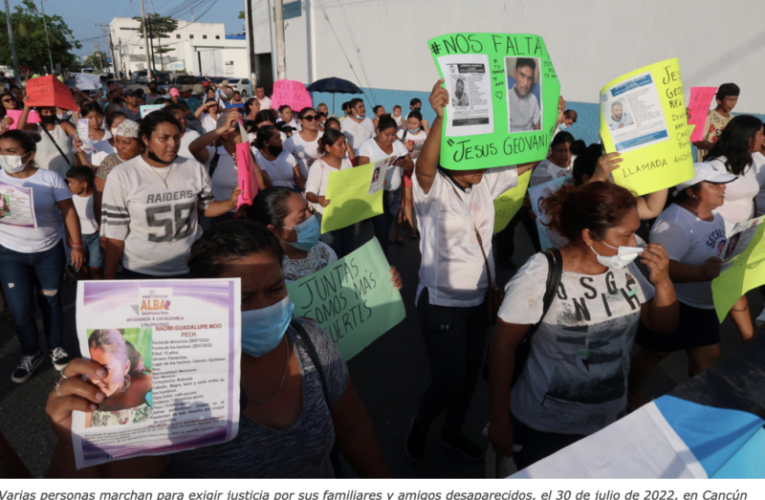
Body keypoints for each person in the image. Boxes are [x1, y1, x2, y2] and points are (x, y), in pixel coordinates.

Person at [46, 219, 389, 478]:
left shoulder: (311, 341)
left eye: (275, 289)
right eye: (243, 299)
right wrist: (75, 440)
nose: (264, 307)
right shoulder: (175, 372)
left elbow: (353, 427)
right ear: (206, 298)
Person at [488, 181, 678, 469]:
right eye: (626, 234)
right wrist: (500, 419)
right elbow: (503, 347)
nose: (635, 243)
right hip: (542, 429)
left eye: (636, 232)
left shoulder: (623, 267)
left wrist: (663, 281)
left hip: (608, 421)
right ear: (589, 235)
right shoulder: (540, 273)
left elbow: (661, 325)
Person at [405, 80, 535, 462]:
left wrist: (551, 123)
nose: (482, 164)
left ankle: (452, 431)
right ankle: (422, 423)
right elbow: (425, 164)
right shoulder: (432, 189)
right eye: (473, 158)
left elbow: (525, 158)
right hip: (442, 301)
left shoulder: (482, 181)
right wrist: (441, 118)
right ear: (452, 157)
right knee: (450, 380)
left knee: (468, 383)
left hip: (480, 300)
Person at [628, 163, 734, 410]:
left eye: (723, 182)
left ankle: (697, 407)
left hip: (705, 306)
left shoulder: (715, 215)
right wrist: (699, 273)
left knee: (707, 357)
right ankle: (630, 394)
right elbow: (661, 268)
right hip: (677, 304)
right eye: (715, 183)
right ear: (692, 192)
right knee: (654, 355)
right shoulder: (673, 223)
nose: (723, 188)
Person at [101, 111, 241, 280]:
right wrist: (109, 280)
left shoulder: (194, 168)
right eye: (164, 138)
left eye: (176, 137)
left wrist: (230, 202)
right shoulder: (121, 175)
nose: (172, 144)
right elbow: (115, 234)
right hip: (142, 270)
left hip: (191, 266)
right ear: (145, 139)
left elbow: (205, 207)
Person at [0, 129, 84, 383]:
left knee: (51, 303)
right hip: (10, 254)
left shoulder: (50, 179)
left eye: (11, 152)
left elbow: (69, 212)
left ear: (29, 155)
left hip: (48, 252)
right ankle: (30, 352)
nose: (5, 157)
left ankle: (55, 346)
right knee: (21, 308)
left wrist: (77, 245)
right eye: (2, 151)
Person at [238, 187, 404, 290]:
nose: (311, 218)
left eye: (308, 210)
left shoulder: (324, 251)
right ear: (276, 231)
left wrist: (383, 281)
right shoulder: (265, 274)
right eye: (302, 216)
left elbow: (349, 290)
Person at [188, 111, 270, 224]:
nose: (243, 132)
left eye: (244, 128)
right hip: (220, 216)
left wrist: (252, 164)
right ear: (224, 134)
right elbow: (193, 147)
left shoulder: (253, 153)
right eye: (237, 129)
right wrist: (223, 127)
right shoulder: (214, 154)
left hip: (249, 214)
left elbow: (264, 187)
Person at [357, 115, 414, 253]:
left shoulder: (398, 145)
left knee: (385, 227)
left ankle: (373, 255)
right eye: (386, 134)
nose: (390, 138)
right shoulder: (367, 145)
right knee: (382, 230)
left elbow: (410, 167)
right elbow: (361, 169)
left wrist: (403, 163)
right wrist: (385, 164)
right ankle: (383, 264)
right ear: (378, 131)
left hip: (394, 193)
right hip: (376, 193)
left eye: (394, 134)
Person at [85, 329, 152, 427]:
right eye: (89, 369)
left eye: (105, 369)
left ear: (125, 367)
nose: (94, 380)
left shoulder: (150, 385)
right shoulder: (86, 395)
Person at [305, 129, 355, 257]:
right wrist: (319, 199)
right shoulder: (318, 166)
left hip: (347, 215)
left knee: (349, 252)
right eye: (340, 144)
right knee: (332, 254)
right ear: (328, 147)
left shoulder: (347, 162)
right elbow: (309, 193)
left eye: (345, 143)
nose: (344, 147)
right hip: (326, 217)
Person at [93, 119, 142, 223]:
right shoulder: (110, 162)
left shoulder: (149, 164)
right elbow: (98, 198)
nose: (119, 146)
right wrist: (101, 227)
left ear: (141, 144)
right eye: (117, 140)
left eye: (126, 142)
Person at [17, 100, 77, 179]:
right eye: (46, 112)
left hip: (67, 175)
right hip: (44, 177)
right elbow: (19, 130)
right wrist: (26, 107)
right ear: (38, 113)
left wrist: (76, 115)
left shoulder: (63, 125)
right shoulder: (35, 128)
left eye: (52, 111)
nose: (50, 114)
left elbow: (80, 135)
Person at [65, 166, 103, 280]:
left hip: (96, 236)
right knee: (81, 266)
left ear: (84, 184)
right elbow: (67, 218)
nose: (69, 185)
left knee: (96, 267)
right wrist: (68, 235)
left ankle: (98, 289)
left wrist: (103, 235)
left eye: (72, 183)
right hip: (79, 237)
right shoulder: (69, 199)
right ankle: (85, 290)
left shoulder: (98, 197)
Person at [396, 111, 428, 240]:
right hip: (406, 170)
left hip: (421, 171)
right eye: (409, 122)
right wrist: (402, 145)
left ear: (420, 123)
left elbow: (435, 143)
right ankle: (411, 228)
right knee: (407, 200)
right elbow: (392, 146)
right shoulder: (401, 133)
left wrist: (427, 127)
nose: (412, 126)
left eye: (415, 123)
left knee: (420, 200)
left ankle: (418, 225)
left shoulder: (425, 134)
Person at [693, 83, 740, 162]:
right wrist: (717, 147)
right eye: (730, 100)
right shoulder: (708, 116)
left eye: (736, 100)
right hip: (707, 165)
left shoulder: (734, 120)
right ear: (719, 100)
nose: (733, 103)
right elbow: (696, 141)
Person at [254, 125, 304, 191]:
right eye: (277, 138)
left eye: (280, 137)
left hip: (291, 196)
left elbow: (300, 181)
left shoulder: (287, 154)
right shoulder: (256, 158)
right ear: (266, 142)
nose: (281, 140)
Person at [74, 102, 114, 169]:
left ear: (102, 116)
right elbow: (77, 160)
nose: (95, 120)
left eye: (98, 116)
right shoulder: (81, 138)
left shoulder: (110, 134)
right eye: (90, 117)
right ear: (83, 118)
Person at [284, 107, 322, 177]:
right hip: (300, 183)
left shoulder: (325, 137)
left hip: (323, 181)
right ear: (300, 121)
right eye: (309, 118)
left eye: (316, 117)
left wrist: (321, 162)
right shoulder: (292, 140)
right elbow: (284, 161)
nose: (313, 121)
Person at [508, 58, 541, 132]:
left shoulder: (533, 100)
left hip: (528, 140)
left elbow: (538, 129)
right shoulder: (506, 97)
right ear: (515, 73)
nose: (525, 83)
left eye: (529, 78)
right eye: (522, 75)